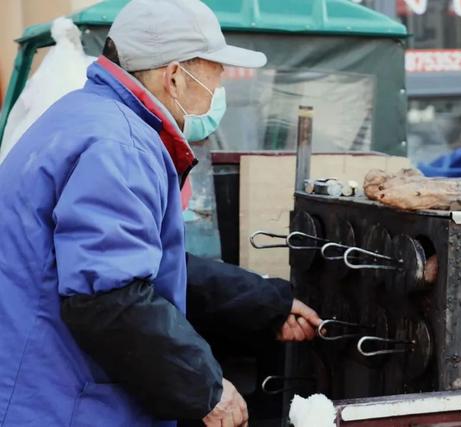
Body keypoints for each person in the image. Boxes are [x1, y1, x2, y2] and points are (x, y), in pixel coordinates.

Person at [0, 0, 321, 426]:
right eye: (214, 75)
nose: (217, 89)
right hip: (64, 405)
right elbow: (111, 299)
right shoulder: (122, 144)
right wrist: (205, 389)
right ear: (174, 76)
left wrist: (265, 303)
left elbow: (141, 263)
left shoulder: (79, 115)